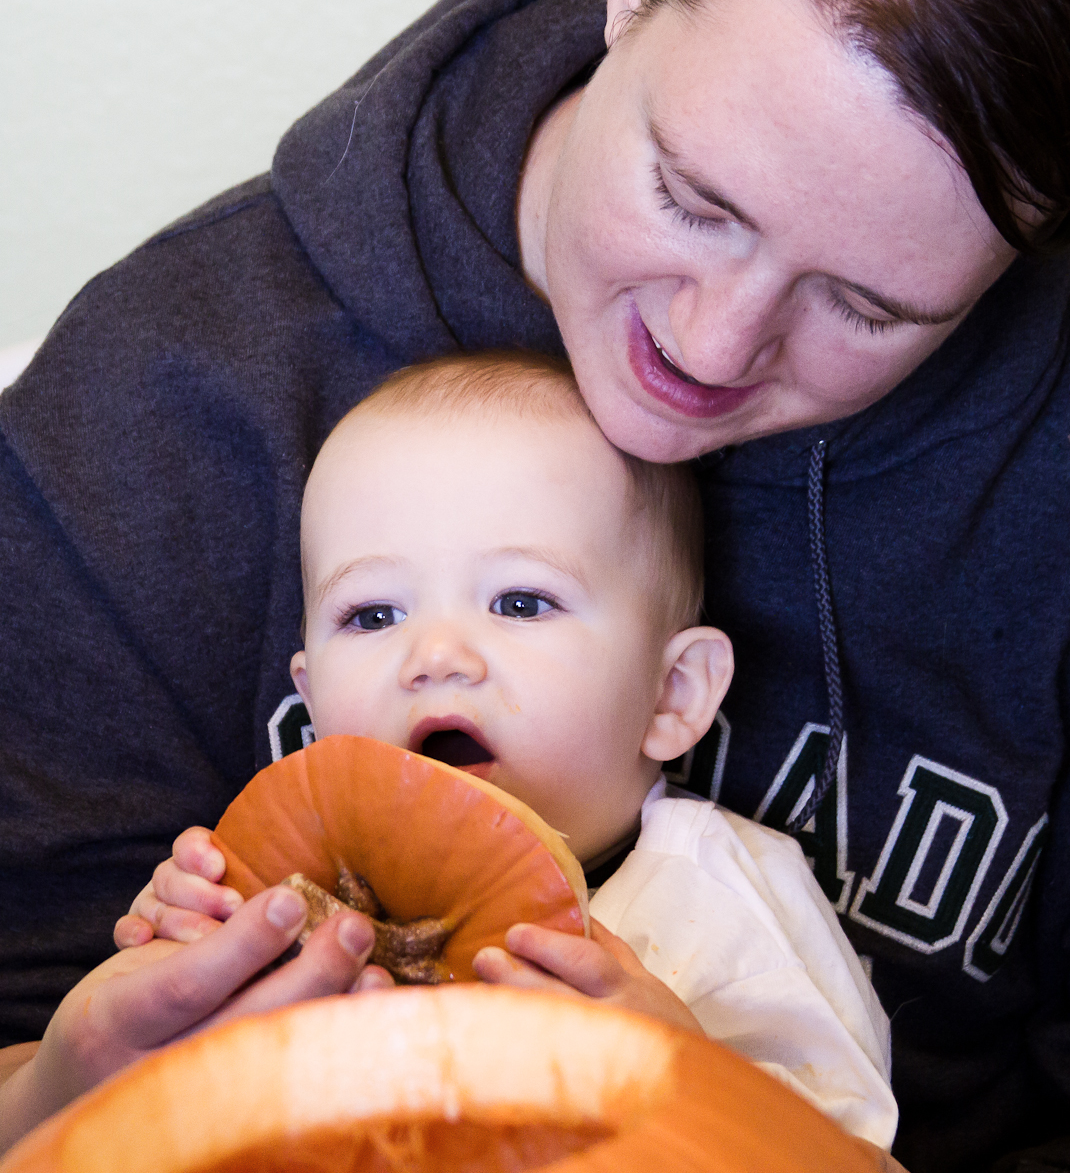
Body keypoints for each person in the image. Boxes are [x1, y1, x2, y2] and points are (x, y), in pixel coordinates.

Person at [0, 0, 1070, 1168]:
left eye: (867, 306)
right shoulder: (152, 404)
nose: (711, 345)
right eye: (692, 198)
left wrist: (721, 1122)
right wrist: (62, 1089)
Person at [0, 350, 899, 1151]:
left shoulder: (727, 895)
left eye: (520, 603)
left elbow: (852, 1151)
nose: (433, 656)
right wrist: (189, 962)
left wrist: (690, 1073)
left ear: (673, 695)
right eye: (373, 615)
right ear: (311, 703)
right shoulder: (285, 897)